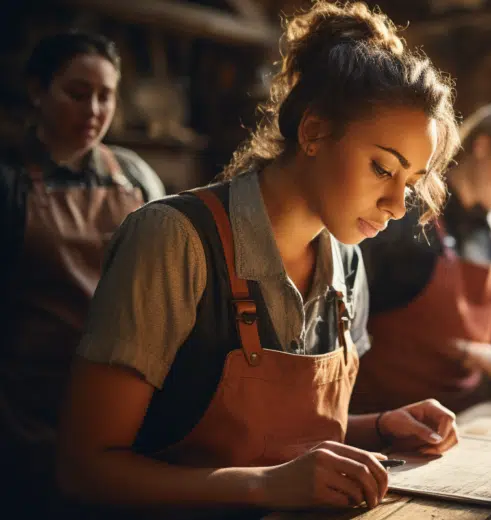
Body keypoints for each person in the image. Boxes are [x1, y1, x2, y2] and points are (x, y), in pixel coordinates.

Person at [56, 2, 460, 515]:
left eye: (413, 184)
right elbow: (83, 469)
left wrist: (377, 426)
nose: (399, 206)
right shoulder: (174, 240)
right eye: (383, 168)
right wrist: (265, 487)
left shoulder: (347, 260)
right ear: (313, 132)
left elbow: (280, 439)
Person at [0, 31, 164, 514]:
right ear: (37, 91)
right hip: (28, 407)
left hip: (121, 402)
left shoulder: (134, 177)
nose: (93, 109)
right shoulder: (9, 182)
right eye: (77, 93)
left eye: (105, 96)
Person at [350, 100, 491, 415]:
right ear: (482, 147)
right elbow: (350, 323)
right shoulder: (404, 217)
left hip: (468, 413)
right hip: (389, 417)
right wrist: (474, 353)